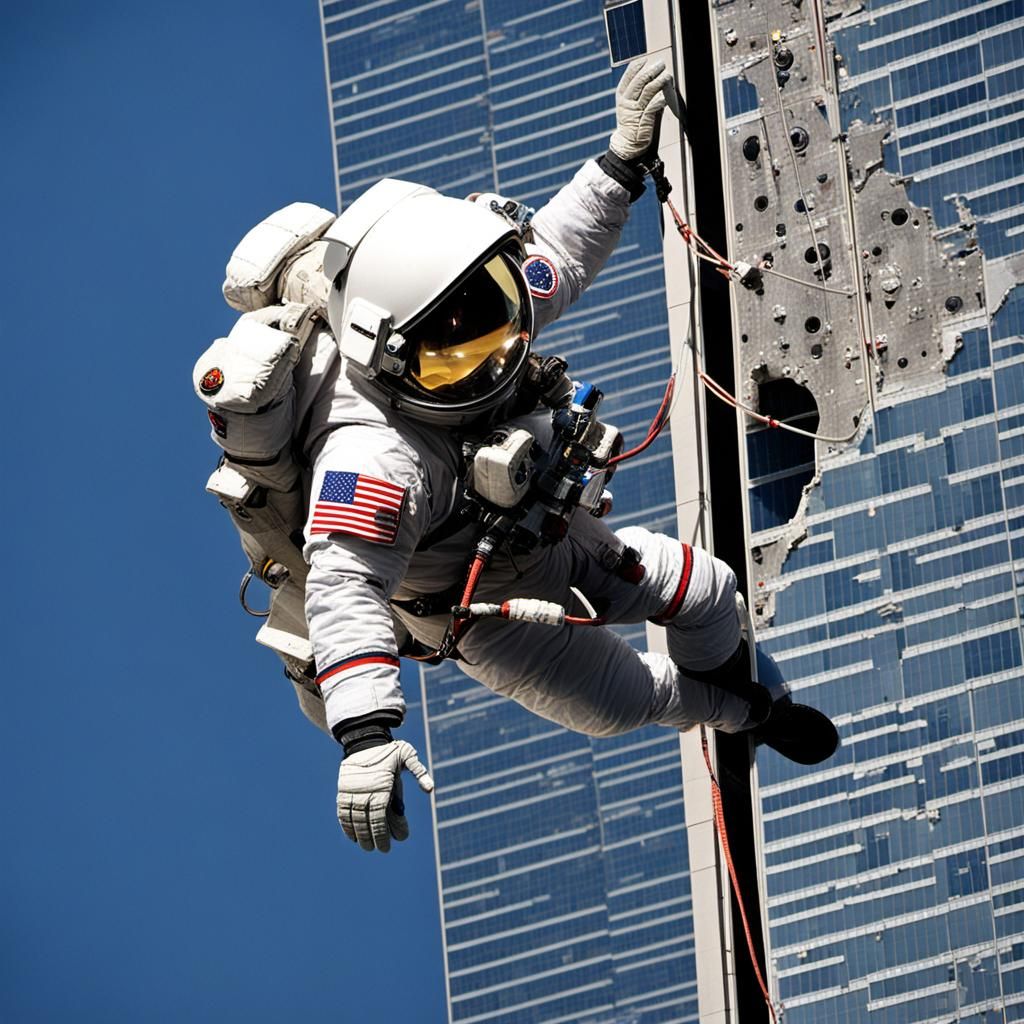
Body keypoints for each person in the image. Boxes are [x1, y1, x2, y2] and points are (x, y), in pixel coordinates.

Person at [199, 58, 838, 855]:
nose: (496, 350)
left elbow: (560, 251)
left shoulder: (463, 293)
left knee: (708, 592)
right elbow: (345, 585)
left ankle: (755, 701)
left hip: (549, 533)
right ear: (393, 358)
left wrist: (622, 157)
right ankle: (741, 715)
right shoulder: (371, 454)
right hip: (481, 611)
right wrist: (363, 735)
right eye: (458, 350)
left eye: (497, 316)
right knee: (620, 701)